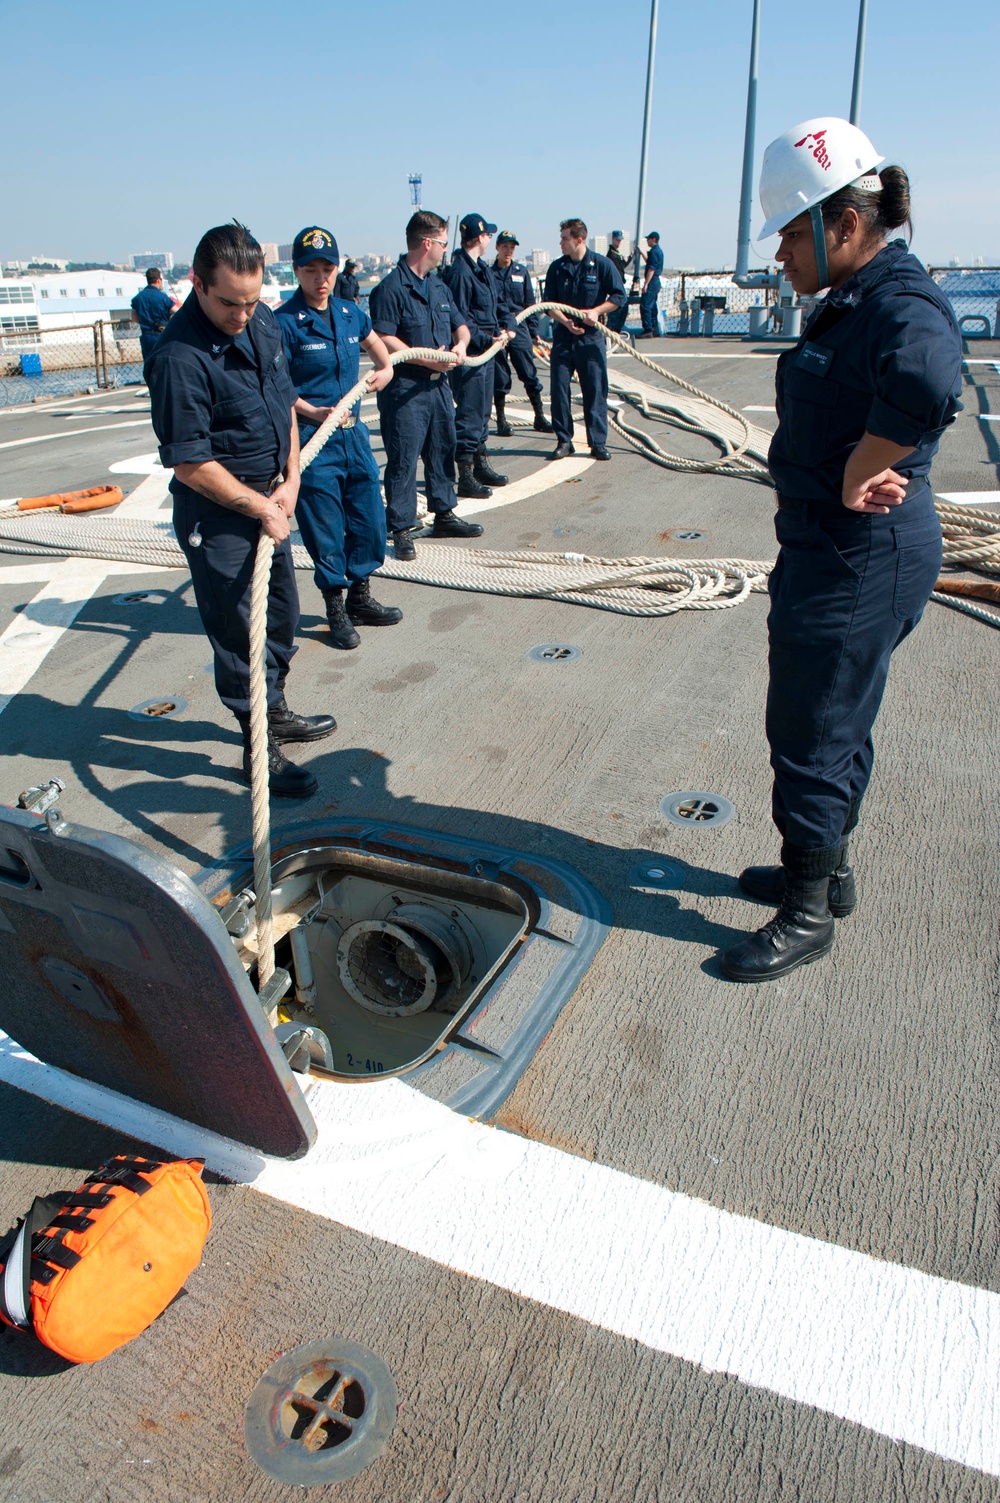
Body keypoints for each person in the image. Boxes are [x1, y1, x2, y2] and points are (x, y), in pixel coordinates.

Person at [719, 117, 963, 983]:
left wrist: (865, 466)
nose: (781, 253)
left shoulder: (900, 301)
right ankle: (826, 869)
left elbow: (931, 379)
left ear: (842, 226)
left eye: (790, 233)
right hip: (840, 547)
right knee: (839, 715)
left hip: (859, 554)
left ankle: (806, 912)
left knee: (812, 726)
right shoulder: (860, 297)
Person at [146, 221, 335, 800]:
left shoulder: (264, 320)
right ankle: (257, 749)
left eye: (252, 301)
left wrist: (293, 479)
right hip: (221, 515)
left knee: (280, 616)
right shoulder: (179, 357)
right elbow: (190, 464)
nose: (242, 314)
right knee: (239, 634)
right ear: (197, 284)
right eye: (229, 302)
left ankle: (275, 712)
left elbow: (283, 404)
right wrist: (261, 505)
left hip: (272, 497)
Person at [275, 226, 401, 651]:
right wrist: (313, 411)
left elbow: (381, 353)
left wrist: (384, 372)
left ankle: (362, 597)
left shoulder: (350, 314)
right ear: (297, 271)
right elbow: (277, 386)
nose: (321, 278)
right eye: (310, 269)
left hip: (353, 437)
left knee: (368, 517)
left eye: (327, 268)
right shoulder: (284, 323)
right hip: (312, 440)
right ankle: (336, 607)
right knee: (325, 527)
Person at [367, 210, 481, 561]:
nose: (447, 250)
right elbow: (384, 337)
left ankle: (444, 512)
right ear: (427, 242)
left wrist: (460, 346)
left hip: (438, 388)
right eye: (444, 243)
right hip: (405, 390)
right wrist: (428, 359)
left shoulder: (438, 285)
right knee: (403, 459)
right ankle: (400, 528)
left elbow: (460, 326)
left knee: (441, 449)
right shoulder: (389, 289)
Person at [441, 213, 516, 498]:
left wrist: (509, 325)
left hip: (488, 351)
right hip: (473, 353)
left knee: (483, 411)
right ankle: (466, 475)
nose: (490, 240)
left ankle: (480, 462)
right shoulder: (460, 272)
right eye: (488, 236)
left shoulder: (482, 269)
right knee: (470, 413)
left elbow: (499, 304)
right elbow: (460, 317)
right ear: (481, 237)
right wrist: (488, 339)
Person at [543, 218, 626, 462]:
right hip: (563, 338)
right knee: (558, 389)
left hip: (590, 339)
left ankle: (597, 442)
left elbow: (619, 296)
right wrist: (565, 321)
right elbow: (549, 304)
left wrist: (598, 311)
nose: (560, 243)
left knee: (595, 389)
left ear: (579, 240)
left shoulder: (601, 265)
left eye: (564, 239)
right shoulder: (557, 268)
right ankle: (564, 440)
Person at [489, 230, 553, 437]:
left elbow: (529, 303)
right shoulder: (489, 274)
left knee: (528, 372)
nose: (508, 251)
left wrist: (534, 331)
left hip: (520, 327)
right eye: (505, 246)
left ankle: (539, 416)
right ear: (497, 248)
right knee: (500, 377)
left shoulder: (522, 272)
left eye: (512, 247)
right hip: (497, 329)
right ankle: (501, 420)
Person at [130, 268, 178, 361]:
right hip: (162, 335)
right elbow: (176, 311)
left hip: (146, 337)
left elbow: (134, 318)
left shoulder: (138, 298)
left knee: (149, 365)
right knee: (165, 363)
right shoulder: (162, 296)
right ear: (158, 280)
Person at [636, 231, 663, 339]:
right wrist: (642, 253)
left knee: (645, 305)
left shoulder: (653, 252)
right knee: (652, 306)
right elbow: (651, 263)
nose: (647, 241)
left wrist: (646, 284)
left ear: (653, 239)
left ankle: (648, 329)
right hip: (656, 281)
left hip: (652, 282)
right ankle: (654, 327)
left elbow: (651, 268)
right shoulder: (658, 251)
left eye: (649, 239)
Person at [605, 232, 630, 335]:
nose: (619, 242)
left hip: (619, 284)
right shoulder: (611, 255)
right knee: (618, 307)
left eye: (620, 240)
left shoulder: (616, 254)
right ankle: (611, 331)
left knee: (623, 307)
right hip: (614, 285)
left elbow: (622, 266)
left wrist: (631, 257)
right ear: (613, 239)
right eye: (617, 240)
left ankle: (615, 331)